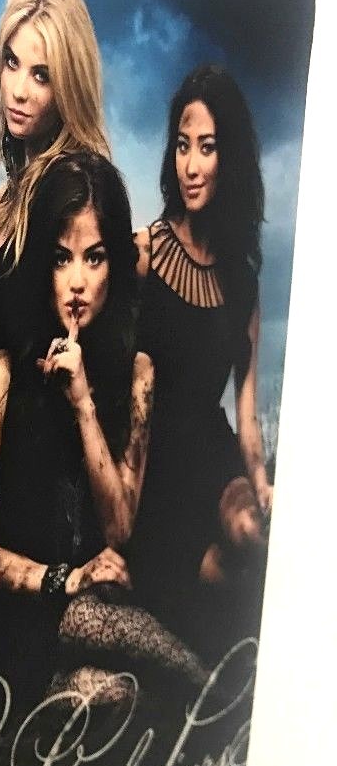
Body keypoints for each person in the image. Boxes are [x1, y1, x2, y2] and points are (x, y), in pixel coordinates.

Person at [0, 151, 205, 704]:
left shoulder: (137, 374)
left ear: (115, 264)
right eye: (60, 258)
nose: (76, 282)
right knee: (100, 648)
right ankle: (213, 693)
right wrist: (65, 579)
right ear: (39, 266)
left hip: (100, 608)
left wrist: (83, 402)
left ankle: (209, 697)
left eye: (94, 258)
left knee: (117, 690)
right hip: (23, 613)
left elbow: (118, 529)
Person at [129, 64, 272, 638]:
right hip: (155, 468)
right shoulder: (142, 254)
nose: (190, 165)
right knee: (217, 587)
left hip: (214, 455)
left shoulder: (243, 282)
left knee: (252, 535)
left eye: (206, 147)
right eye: (182, 145)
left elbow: (246, 414)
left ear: (228, 157)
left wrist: (261, 482)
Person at [0, 0, 110, 351]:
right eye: (12, 62)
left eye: (41, 75)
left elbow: (79, 342)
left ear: (70, 85)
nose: (18, 91)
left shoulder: (77, 188)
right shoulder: (19, 187)